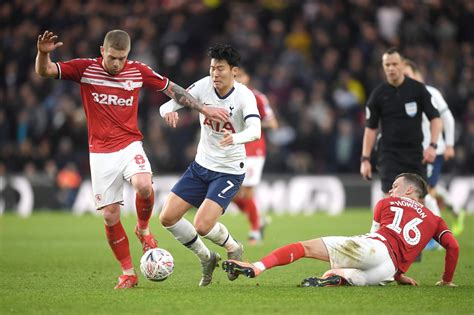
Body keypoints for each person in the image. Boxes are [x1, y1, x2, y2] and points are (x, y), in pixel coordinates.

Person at [35, 30, 228, 289]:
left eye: (122, 58)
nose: (117, 64)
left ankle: (143, 229)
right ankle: (128, 272)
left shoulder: (137, 71)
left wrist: (204, 109)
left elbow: (173, 90)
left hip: (129, 144)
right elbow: (45, 71)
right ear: (102, 51)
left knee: (144, 185)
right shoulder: (85, 69)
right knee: (111, 216)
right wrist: (43, 53)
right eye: (113, 57)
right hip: (100, 153)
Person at [222, 173, 459, 287]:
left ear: (409, 191)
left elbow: (376, 237)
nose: (390, 190)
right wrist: (446, 280)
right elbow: (453, 247)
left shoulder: (387, 203)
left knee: (304, 247)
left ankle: (257, 267)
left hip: (375, 248)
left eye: (396, 186)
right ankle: (335, 280)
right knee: (337, 274)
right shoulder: (435, 219)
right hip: (387, 271)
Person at [159, 44, 261, 286]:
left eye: (221, 69)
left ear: (234, 71)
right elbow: (168, 103)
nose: (215, 73)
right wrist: (167, 112)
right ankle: (206, 257)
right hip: (201, 165)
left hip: (229, 170)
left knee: (202, 225)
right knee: (167, 217)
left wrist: (235, 138)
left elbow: (255, 131)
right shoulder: (203, 85)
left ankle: (233, 247)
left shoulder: (244, 96)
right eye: (213, 68)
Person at [360, 48, 442, 196]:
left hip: (415, 154)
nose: (391, 68)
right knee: (391, 199)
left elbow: (435, 119)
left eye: (395, 64)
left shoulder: (418, 90)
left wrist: (432, 146)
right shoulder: (378, 94)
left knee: (419, 201)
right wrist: (365, 159)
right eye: (387, 65)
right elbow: (370, 128)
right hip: (389, 155)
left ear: (402, 65)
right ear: (383, 67)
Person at [403, 60, 465, 237]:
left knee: (426, 192)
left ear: (417, 75)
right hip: (416, 152)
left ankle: (435, 237)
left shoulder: (431, 93)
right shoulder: (404, 97)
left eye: (407, 75)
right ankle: (455, 209)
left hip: (434, 151)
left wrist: (450, 145)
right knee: (429, 190)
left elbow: (448, 119)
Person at [232, 68, 278, 245]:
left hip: (253, 149)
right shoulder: (227, 97)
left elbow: (273, 123)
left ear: (247, 77)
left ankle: (254, 231)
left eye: (240, 76)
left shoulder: (257, 97)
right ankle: (258, 219)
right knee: (233, 194)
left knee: (248, 190)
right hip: (236, 149)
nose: (237, 80)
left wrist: (252, 122)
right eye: (234, 77)